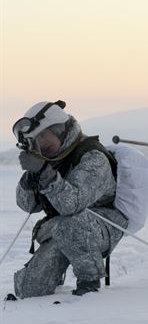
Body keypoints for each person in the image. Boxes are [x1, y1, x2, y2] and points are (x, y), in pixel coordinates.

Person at [11, 100, 127, 298]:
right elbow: (27, 205)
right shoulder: (49, 160)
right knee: (29, 290)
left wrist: (44, 173)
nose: (41, 146)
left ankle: (89, 282)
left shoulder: (92, 157)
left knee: (71, 224)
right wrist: (31, 178)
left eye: (43, 138)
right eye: (35, 142)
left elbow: (71, 205)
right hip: (62, 227)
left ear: (59, 130)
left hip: (101, 226)